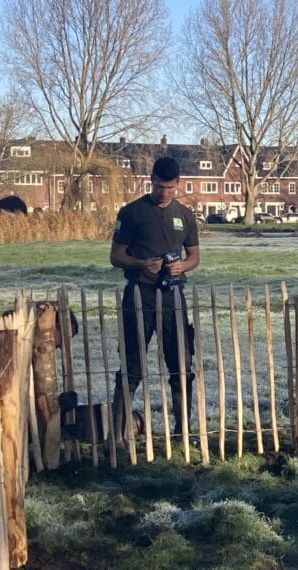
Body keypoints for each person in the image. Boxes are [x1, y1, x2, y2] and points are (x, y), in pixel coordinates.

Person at [110, 156, 200, 444]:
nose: (164, 193)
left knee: (181, 364)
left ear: (178, 184)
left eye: (170, 188)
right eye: (160, 187)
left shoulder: (185, 215)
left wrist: (182, 267)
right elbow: (116, 256)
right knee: (132, 365)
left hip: (173, 295)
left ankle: (182, 431)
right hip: (140, 294)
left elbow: (194, 256)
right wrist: (141, 263)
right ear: (151, 181)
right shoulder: (131, 212)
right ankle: (118, 434)